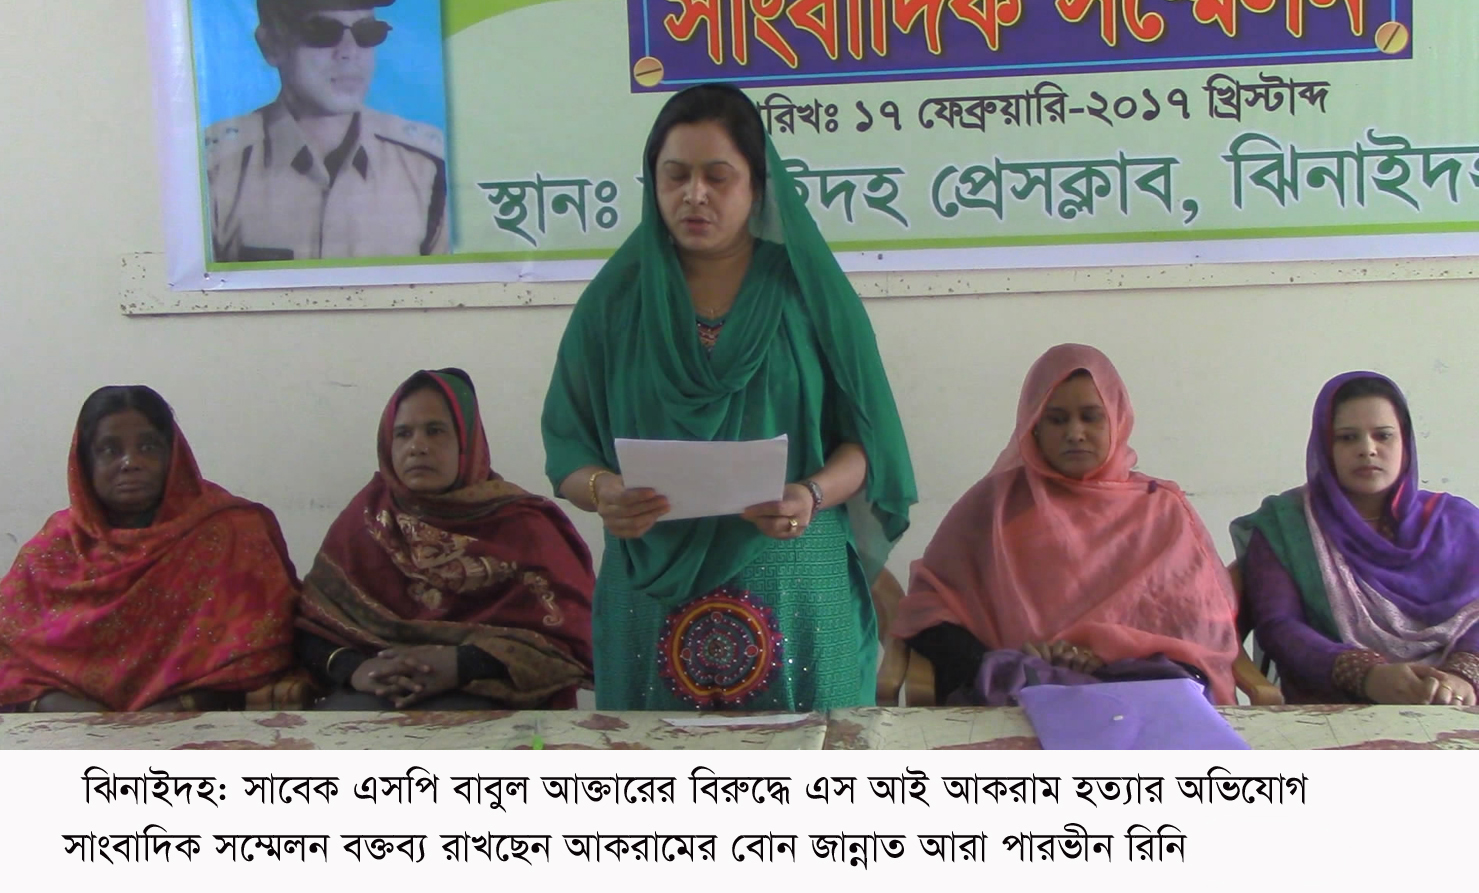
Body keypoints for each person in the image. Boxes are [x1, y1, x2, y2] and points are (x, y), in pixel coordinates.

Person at [542, 83, 916, 712]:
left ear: (758, 185)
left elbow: (866, 443)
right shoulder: (614, 302)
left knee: (805, 766)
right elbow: (568, 446)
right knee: (658, 769)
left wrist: (811, 494)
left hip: (795, 581)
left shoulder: (809, 293)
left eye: (718, 177)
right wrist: (603, 491)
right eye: (675, 176)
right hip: (651, 590)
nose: (695, 194)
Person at [892, 344, 1240, 705]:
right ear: (1034, 427)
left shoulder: (1161, 510)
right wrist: (1013, 663)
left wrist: (1105, 658)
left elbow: (1199, 625)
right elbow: (930, 606)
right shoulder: (993, 506)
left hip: (1136, 700)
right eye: (1057, 420)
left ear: (1117, 419)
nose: (1075, 432)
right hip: (1014, 700)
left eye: (1091, 417)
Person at [298, 368, 594, 710]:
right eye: (403, 434)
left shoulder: (525, 527)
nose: (417, 447)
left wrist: (461, 664)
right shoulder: (367, 518)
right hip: (376, 697)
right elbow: (313, 625)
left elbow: (570, 641)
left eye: (435, 431)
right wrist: (355, 669)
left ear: (467, 442)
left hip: (494, 703)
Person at [0, 386, 299, 712]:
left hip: (198, 725)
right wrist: (78, 716)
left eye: (148, 447)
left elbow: (265, 649)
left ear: (173, 455)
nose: (131, 462)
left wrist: (174, 711)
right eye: (110, 450)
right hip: (70, 729)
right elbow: (10, 655)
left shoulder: (232, 533)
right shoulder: (53, 550)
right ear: (85, 464)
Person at [1230, 372, 1479, 705]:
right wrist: (1365, 675)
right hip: (1334, 705)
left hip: (1454, 703)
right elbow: (1280, 627)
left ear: (1405, 443)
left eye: (1383, 435)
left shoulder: (1456, 523)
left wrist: (1463, 676)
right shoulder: (1288, 526)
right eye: (1347, 438)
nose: (1367, 449)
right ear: (1325, 446)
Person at [205, 0, 449, 261]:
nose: (349, 52)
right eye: (322, 31)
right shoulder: (213, 171)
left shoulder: (427, 169)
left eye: (367, 32)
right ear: (271, 45)